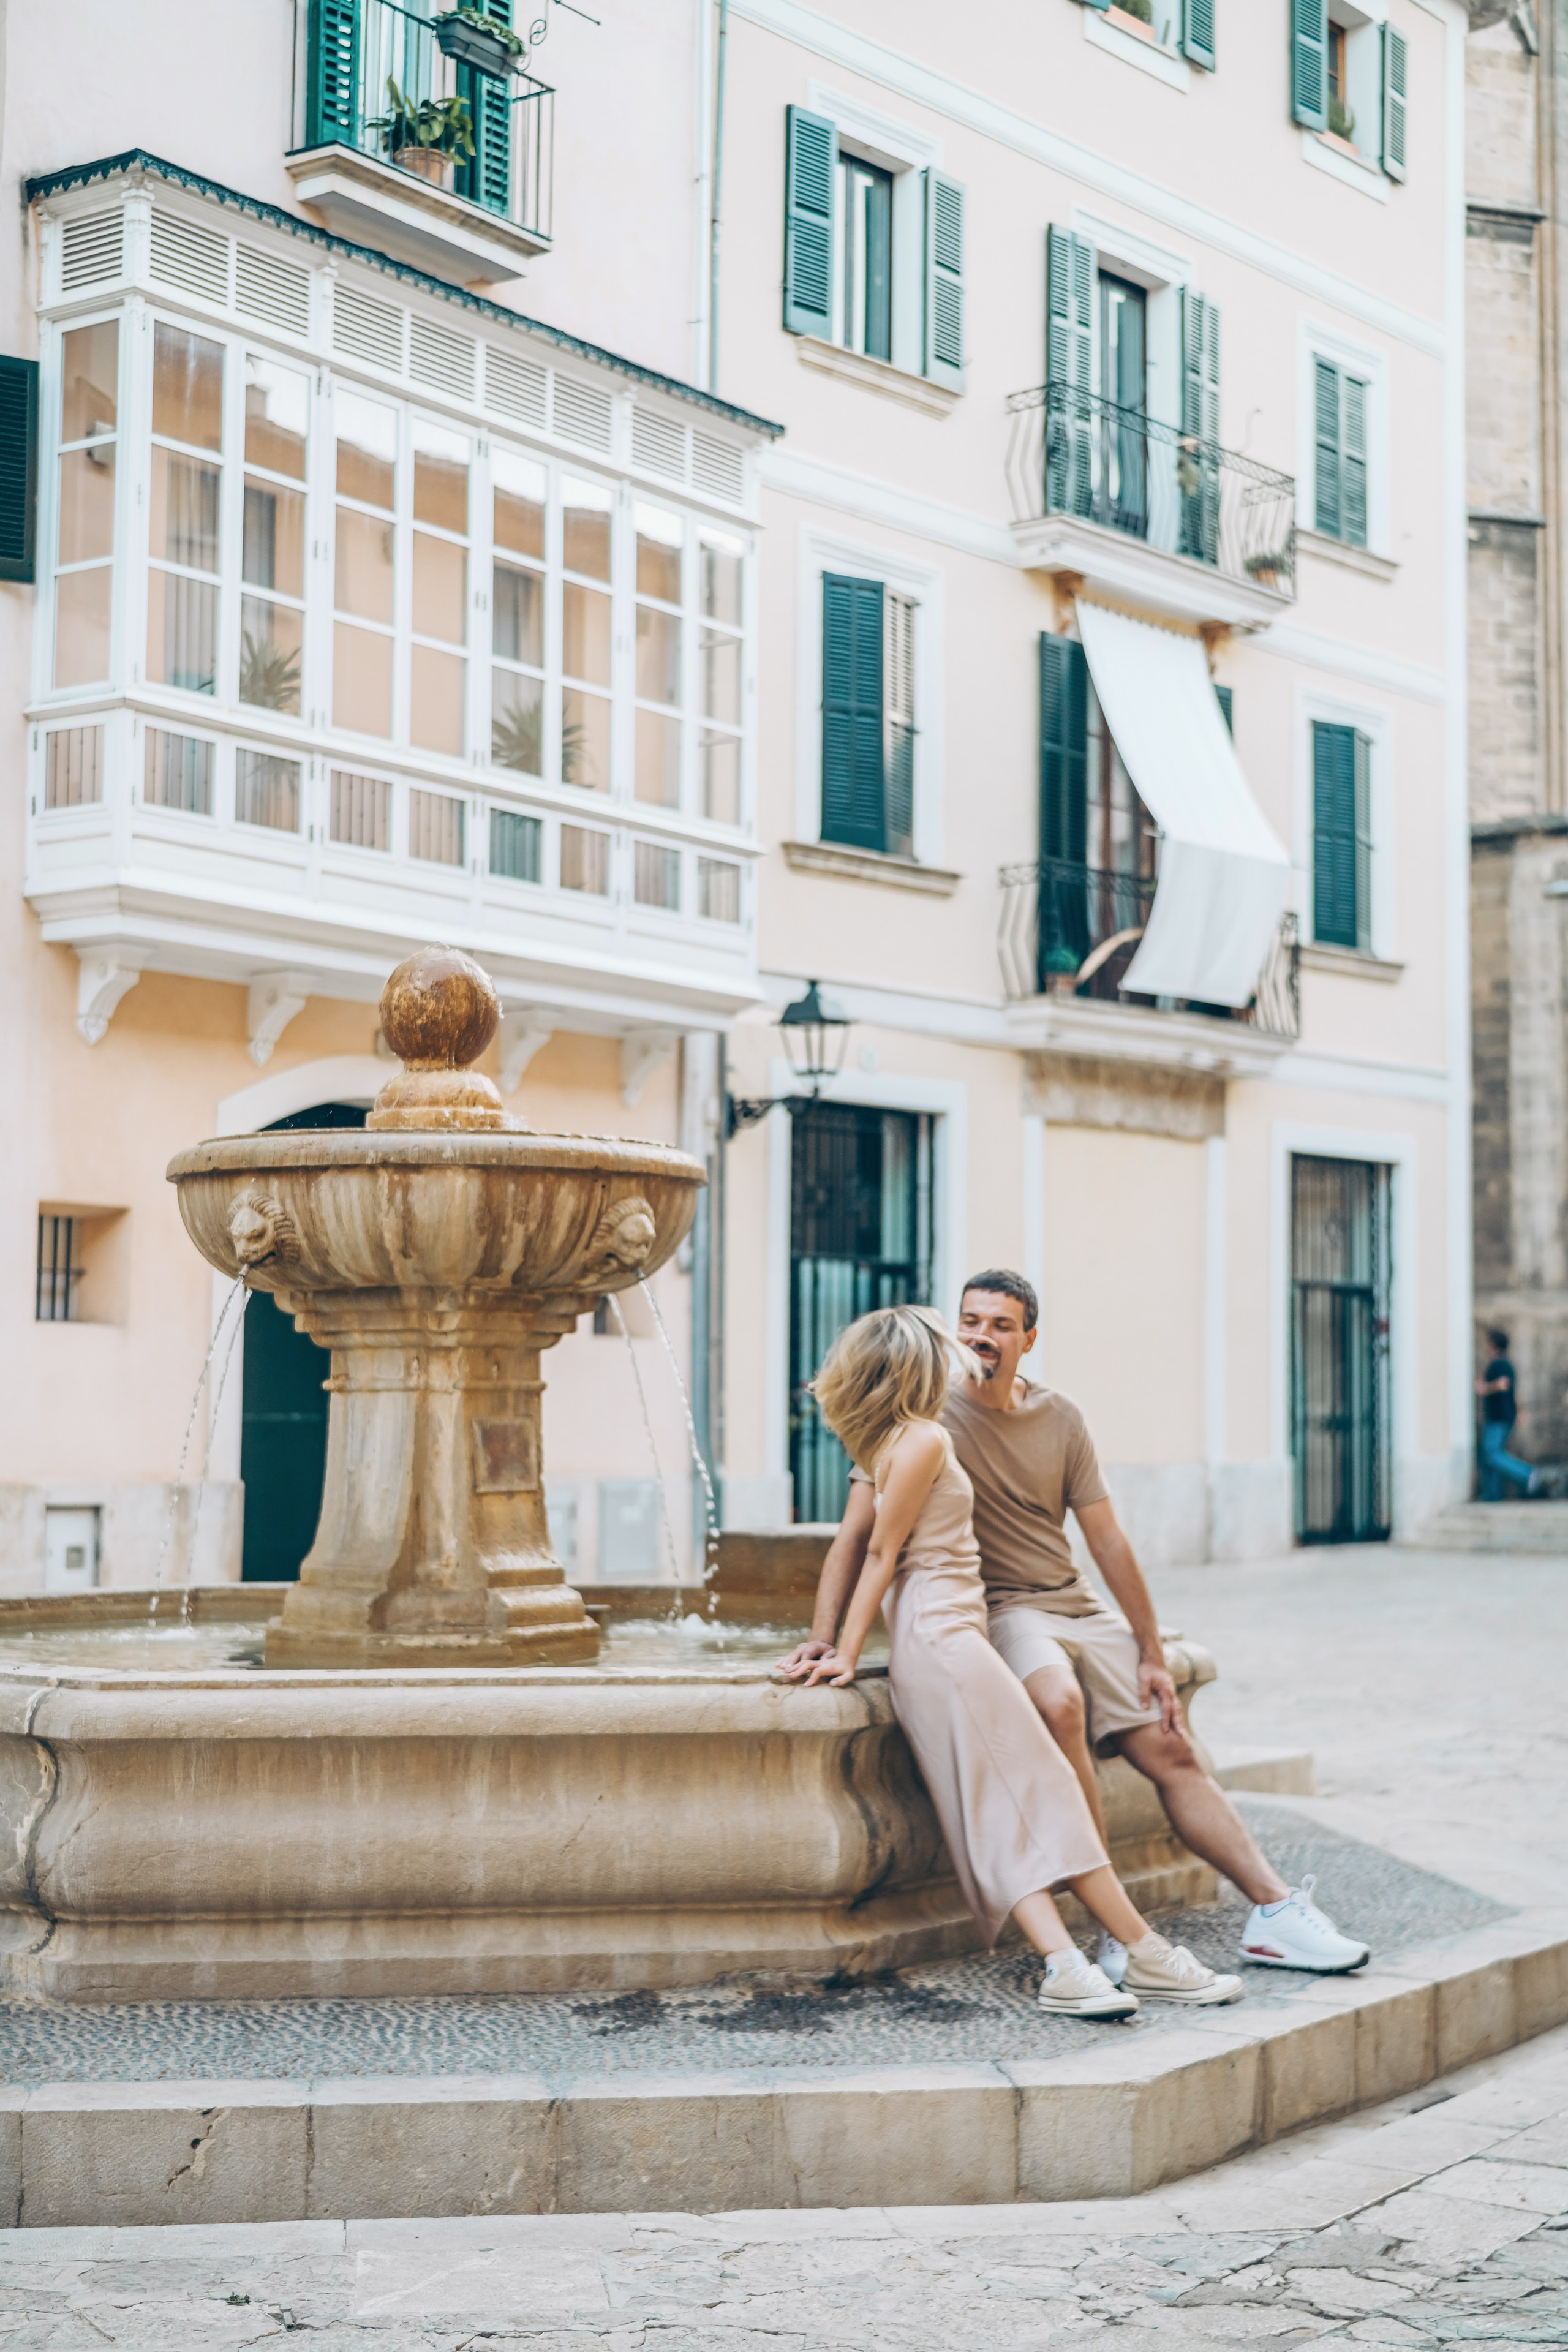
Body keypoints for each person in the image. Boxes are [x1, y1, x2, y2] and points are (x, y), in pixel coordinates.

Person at [783, 1270, 1370, 1983]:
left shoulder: (1059, 1416)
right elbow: (858, 1537)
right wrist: (825, 1638)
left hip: (1075, 1604)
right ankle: (1116, 1935)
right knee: (1058, 1703)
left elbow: (1108, 1539)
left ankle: (1274, 1912)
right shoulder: (923, 1413)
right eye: (970, 1321)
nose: (981, 1336)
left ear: (1028, 1339)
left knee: (1171, 1746)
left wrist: (1149, 1650)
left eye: (1001, 1325)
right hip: (1003, 1610)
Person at [1476, 1327, 1538, 1501]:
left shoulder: (1500, 1363)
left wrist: (1484, 1388)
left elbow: (1503, 1385)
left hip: (1498, 1416)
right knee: (1490, 1456)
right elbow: (1514, 1392)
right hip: (1504, 1415)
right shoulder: (1505, 1363)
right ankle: (1492, 1496)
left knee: (1492, 1454)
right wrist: (1520, 1412)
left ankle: (1527, 1474)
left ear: (1492, 1344)